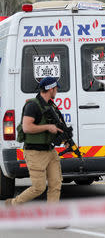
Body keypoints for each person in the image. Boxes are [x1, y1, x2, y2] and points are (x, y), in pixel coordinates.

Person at [6, 77, 64, 206]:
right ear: (50, 89)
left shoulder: (50, 105)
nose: (57, 91)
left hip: (50, 150)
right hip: (35, 152)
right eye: (56, 88)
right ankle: (14, 204)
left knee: (56, 184)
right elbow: (27, 127)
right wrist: (48, 127)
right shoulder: (33, 105)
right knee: (39, 187)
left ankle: (53, 217)